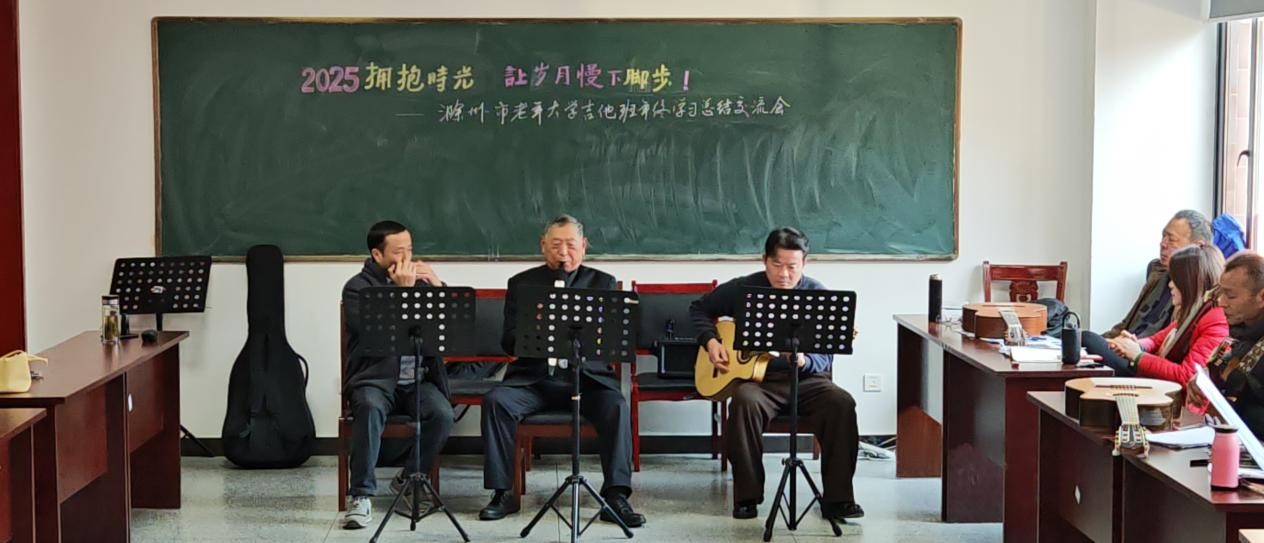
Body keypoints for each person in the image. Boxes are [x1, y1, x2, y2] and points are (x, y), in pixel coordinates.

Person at [477, 215, 645, 527]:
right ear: (543, 246)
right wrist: (534, 327)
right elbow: (508, 343)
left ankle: (616, 496)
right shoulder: (521, 284)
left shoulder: (602, 283)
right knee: (496, 402)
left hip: (587, 380)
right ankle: (503, 493)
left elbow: (613, 341)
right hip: (534, 381)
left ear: (584, 246)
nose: (563, 253)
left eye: (570, 245)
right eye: (556, 245)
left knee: (617, 406)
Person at [689, 227, 863, 521]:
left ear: (805, 263)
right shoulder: (744, 288)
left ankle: (838, 499)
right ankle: (747, 497)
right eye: (777, 265)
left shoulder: (818, 295)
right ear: (764, 260)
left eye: (792, 266)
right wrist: (711, 341)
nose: (784, 274)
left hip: (808, 381)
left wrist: (805, 360)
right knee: (743, 401)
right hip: (760, 382)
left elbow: (826, 355)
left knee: (842, 403)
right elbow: (699, 308)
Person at [340, 220, 454, 530]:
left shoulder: (421, 284)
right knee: (369, 408)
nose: (406, 258)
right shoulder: (358, 288)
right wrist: (404, 293)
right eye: (398, 252)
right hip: (375, 378)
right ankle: (360, 495)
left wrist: (437, 286)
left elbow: (448, 327)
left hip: (417, 378)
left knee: (442, 414)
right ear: (377, 255)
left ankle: (409, 478)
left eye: (410, 250)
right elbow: (375, 335)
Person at [1082, 244, 1227, 382]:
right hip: (1150, 375)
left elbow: (1187, 376)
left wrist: (1137, 356)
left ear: (1190, 283)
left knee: (1087, 339)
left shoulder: (1215, 321)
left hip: (1156, 383)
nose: (1170, 284)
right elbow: (1155, 341)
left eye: (1175, 280)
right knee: (1087, 342)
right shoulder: (1193, 313)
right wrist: (1133, 345)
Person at [1103, 209, 1213, 339]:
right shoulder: (1157, 272)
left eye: (1171, 239)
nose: (1163, 243)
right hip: (1124, 343)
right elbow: (1127, 324)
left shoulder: (1201, 294)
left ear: (1197, 247)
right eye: (1163, 236)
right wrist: (1106, 341)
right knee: (1085, 339)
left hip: (1142, 349)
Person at [1205, 252, 1264, 437]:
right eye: (1220, 293)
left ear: (1262, 297)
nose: (1221, 302)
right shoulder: (1242, 330)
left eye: (1230, 296)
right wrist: (1205, 383)